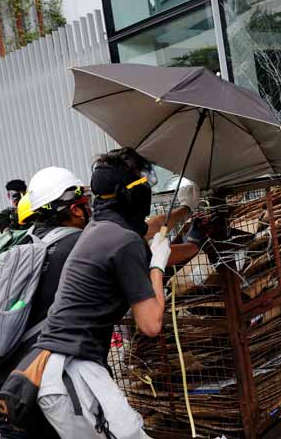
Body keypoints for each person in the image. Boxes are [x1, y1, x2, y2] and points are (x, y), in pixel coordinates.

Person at [31, 148, 198, 439]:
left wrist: (186, 210)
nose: (146, 189)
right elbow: (150, 324)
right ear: (127, 194)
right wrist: (157, 266)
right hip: (72, 373)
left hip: (61, 367)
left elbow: (148, 228)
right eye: (140, 184)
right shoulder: (122, 242)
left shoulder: (101, 227)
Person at [0, 167, 90, 439]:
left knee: (7, 428)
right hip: (37, 377)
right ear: (75, 209)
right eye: (86, 204)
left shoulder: (21, 247)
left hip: (0, 374)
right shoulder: (81, 246)